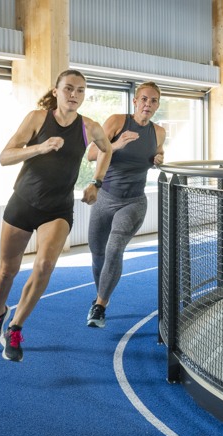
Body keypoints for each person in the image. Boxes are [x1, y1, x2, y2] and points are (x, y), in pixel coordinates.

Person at [0, 69, 113, 362]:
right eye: (68, 88)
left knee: (44, 266)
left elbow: (107, 150)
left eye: (80, 90)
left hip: (57, 209)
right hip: (23, 202)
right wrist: (40, 147)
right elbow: (4, 157)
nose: (74, 95)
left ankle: (15, 328)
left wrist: (96, 181)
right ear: (56, 91)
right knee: (7, 270)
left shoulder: (90, 127)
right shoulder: (37, 118)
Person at [84, 81, 166, 328]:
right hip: (105, 197)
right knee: (97, 253)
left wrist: (160, 158)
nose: (147, 104)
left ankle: (100, 306)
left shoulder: (159, 132)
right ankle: (101, 295)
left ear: (157, 105)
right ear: (135, 101)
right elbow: (90, 154)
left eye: (153, 101)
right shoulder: (117, 121)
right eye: (143, 99)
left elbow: (158, 155)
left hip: (133, 201)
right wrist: (117, 145)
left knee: (114, 249)